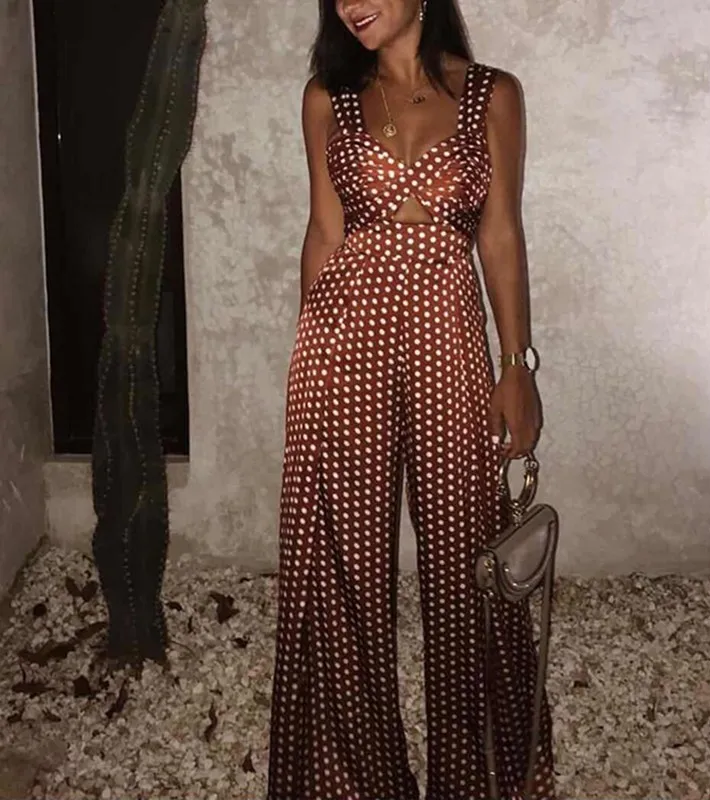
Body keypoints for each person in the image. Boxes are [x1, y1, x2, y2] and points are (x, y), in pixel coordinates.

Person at [266, 0, 555, 798]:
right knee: (344, 562)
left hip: (447, 340)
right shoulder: (328, 98)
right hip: (344, 345)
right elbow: (324, 232)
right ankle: (352, 779)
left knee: (467, 557)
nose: (349, 3)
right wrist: (306, 369)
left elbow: (501, 233)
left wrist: (517, 365)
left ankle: (477, 775)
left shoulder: (492, 93)